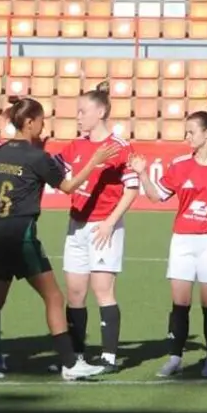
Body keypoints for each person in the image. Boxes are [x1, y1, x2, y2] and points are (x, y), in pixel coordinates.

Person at [0, 97, 116, 381]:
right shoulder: (38, 158)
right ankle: (71, 364)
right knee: (54, 297)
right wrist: (94, 162)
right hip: (21, 234)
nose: (43, 126)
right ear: (30, 122)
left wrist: (7, 199)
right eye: (41, 121)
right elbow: (69, 186)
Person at [130, 111, 207, 379]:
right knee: (180, 302)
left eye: (191, 132)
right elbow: (156, 196)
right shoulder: (181, 164)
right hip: (182, 240)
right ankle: (175, 358)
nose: (187, 137)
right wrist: (143, 173)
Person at [55, 82, 139, 371]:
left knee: (102, 290)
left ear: (100, 111)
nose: (78, 117)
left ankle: (109, 357)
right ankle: (76, 356)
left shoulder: (119, 147)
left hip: (104, 227)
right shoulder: (75, 146)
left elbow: (131, 188)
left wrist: (110, 223)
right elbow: (55, 172)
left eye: (83, 111)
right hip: (76, 225)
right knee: (75, 292)